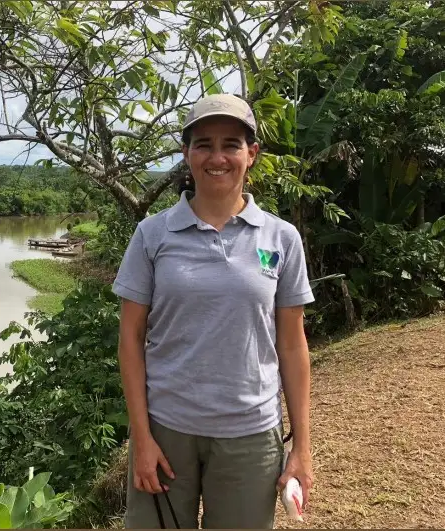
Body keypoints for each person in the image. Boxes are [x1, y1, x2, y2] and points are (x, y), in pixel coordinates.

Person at [112, 93, 315, 529]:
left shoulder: (281, 238)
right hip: (167, 430)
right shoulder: (152, 235)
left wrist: (301, 446)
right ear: (187, 154)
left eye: (231, 145)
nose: (217, 157)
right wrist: (141, 438)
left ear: (251, 154)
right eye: (203, 144)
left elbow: (292, 344)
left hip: (250, 434)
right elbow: (130, 339)